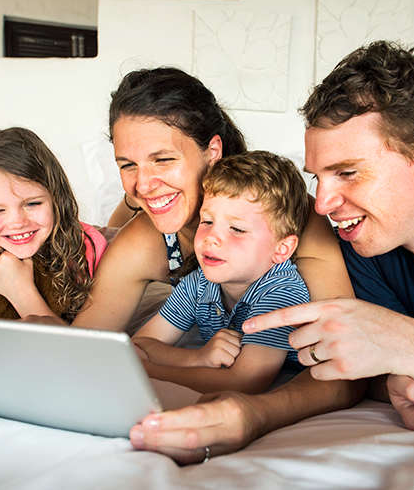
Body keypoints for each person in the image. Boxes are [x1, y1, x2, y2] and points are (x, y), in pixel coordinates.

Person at [127, 41, 414, 463]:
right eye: (318, 178)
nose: (321, 205)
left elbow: (407, 349)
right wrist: (397, 380)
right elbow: (357, 372)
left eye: (348, 173)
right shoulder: (365, 250)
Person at [69, 66, 365, 463]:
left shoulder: (292, 219)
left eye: (163, 159)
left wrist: (252, 412)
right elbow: (83, 351)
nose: (143, 184)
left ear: (212, 151)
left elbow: (347, 367)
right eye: (127, 165)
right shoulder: (144, 242)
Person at [132, 151, 310, 394]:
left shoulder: (282, 292)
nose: (211, 238)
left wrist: (148, 370)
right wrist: (197, 358)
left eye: (236, 228)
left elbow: (244, 382)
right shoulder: (198, 282)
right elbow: (140, 344)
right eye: (206, 222)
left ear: (282, 249)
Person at [0, 127, 108, 322]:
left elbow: (81, 349)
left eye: (32, 203)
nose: (18, 222)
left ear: (56, 199)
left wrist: (21, 292)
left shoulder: (85, 248)